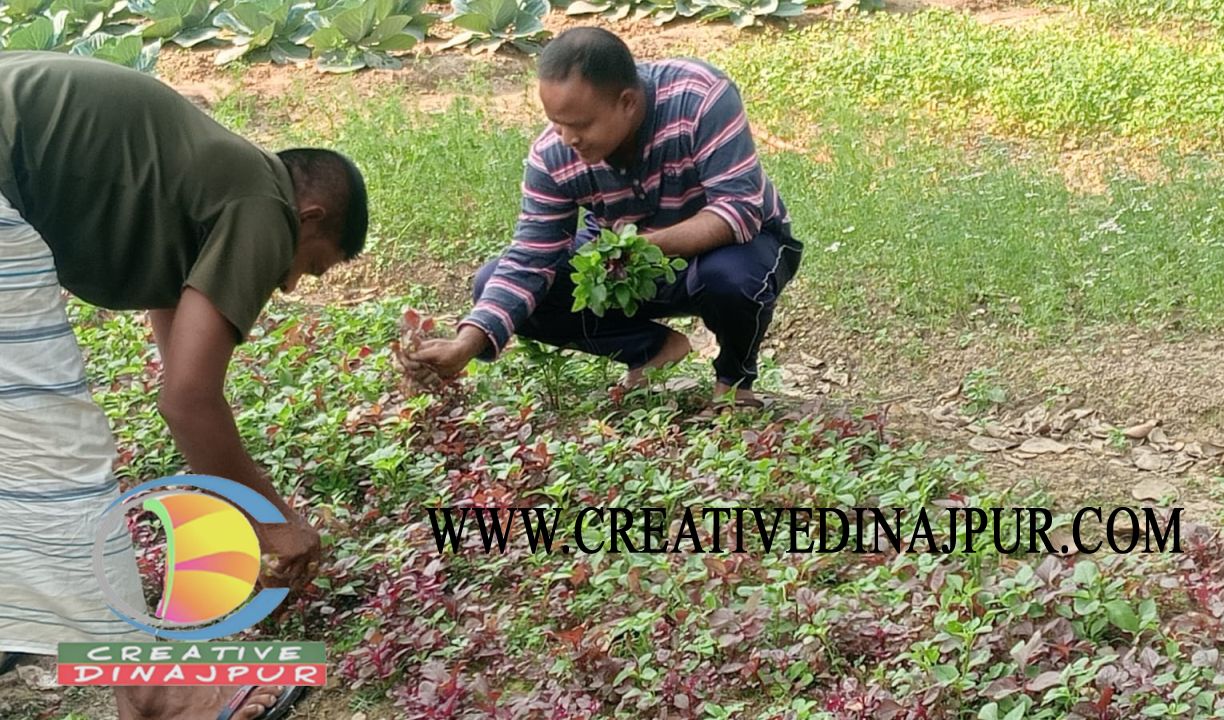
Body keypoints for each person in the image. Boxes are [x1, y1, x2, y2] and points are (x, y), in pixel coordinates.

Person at [0, 51, 367, 720]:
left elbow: (184, 386)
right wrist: (277, 522)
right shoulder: (263, 202)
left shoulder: (193, 187)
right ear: (309, 216)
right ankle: (159, 685)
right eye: (308, 269)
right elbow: (188, 401)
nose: (286, 287)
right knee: (58, 452)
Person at [404, 27, 802, 408]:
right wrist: (465, 344)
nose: (567, 139)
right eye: (556, 123)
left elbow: (739, 210)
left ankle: (734, 381)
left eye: (579, 125)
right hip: (626, 268)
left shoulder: (699, 97)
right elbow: (530, 259)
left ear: (627, 102)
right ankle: (653, 349)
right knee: (492, 281)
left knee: (731, 278)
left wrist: (642, 247)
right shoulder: (554, 155)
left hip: (735, 250)